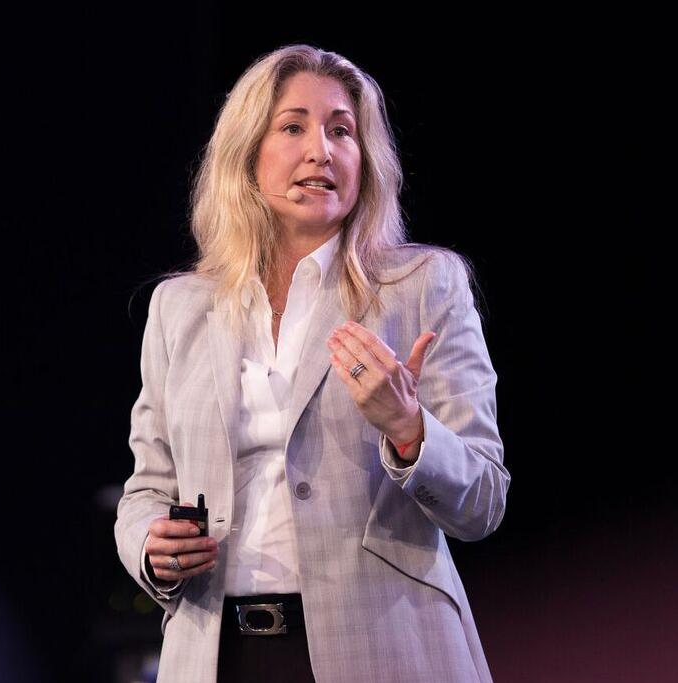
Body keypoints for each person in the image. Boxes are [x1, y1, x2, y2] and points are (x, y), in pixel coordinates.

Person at [114, 43, 510, 683]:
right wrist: (151, 544)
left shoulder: (422, 287)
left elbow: (483, 501)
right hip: (215, 655)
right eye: (293, 127)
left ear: (365, 161)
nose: (320, 151)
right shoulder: (179, 308)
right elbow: (146, 490)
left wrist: (409, 430)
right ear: (247, 153)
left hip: (384, 648)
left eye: (341, 131)